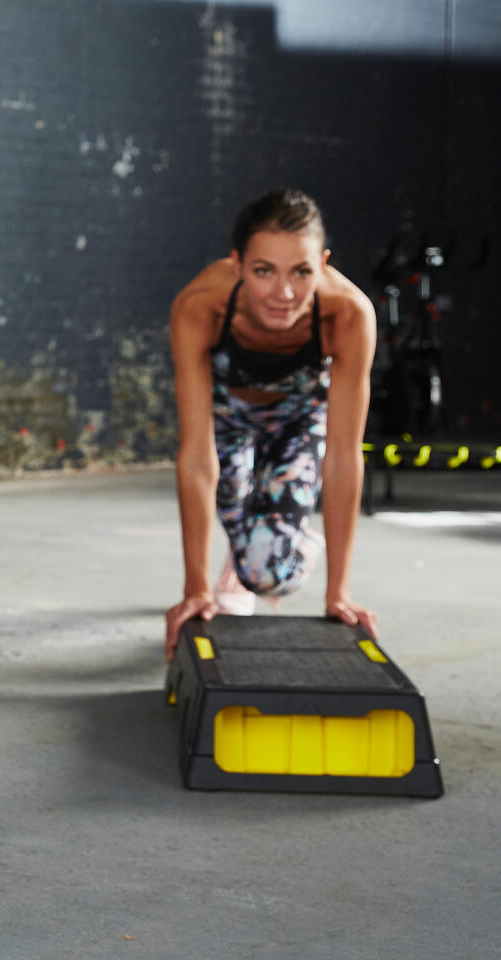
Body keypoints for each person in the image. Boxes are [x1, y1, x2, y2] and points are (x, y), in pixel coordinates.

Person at [164, 188, 379, 658]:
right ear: (237, 263)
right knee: (232, 505)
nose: (284, 294)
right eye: (264, 271)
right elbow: (198, 457)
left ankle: (275, 547)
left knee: (267, 577)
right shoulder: (201, 305)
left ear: (322, 263)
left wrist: (337, 593)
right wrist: (195, 589)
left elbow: (343, 456)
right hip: (228, 418)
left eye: (301, 272)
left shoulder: (347, 314)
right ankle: (236, 556)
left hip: (297, 422)